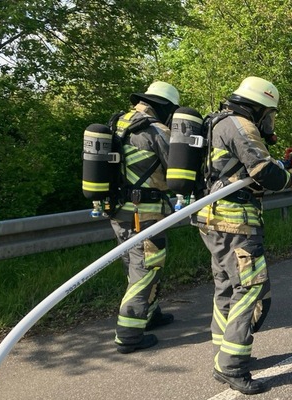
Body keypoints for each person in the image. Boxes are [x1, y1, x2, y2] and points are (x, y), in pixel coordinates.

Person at [193, 76, 292, 395]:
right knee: (251, 288)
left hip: (211, 220)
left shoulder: (217, 122)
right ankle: (231, 365)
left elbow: (238, 173)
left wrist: (281, 163)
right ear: (258, 107)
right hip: (235, 224)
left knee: (227, 286)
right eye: (268, 112)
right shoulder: (242, 125)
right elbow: (264, 173)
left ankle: (224, 350)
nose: (269, 120)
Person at [110, 81, 179, 354]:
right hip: (145, 212)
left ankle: (149, 313)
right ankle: (128, 335)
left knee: (134, 265)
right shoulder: (157, 130)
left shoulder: (118, 123)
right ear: (164, 107)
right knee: (146, 268)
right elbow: (177, 171)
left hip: (118, 210)